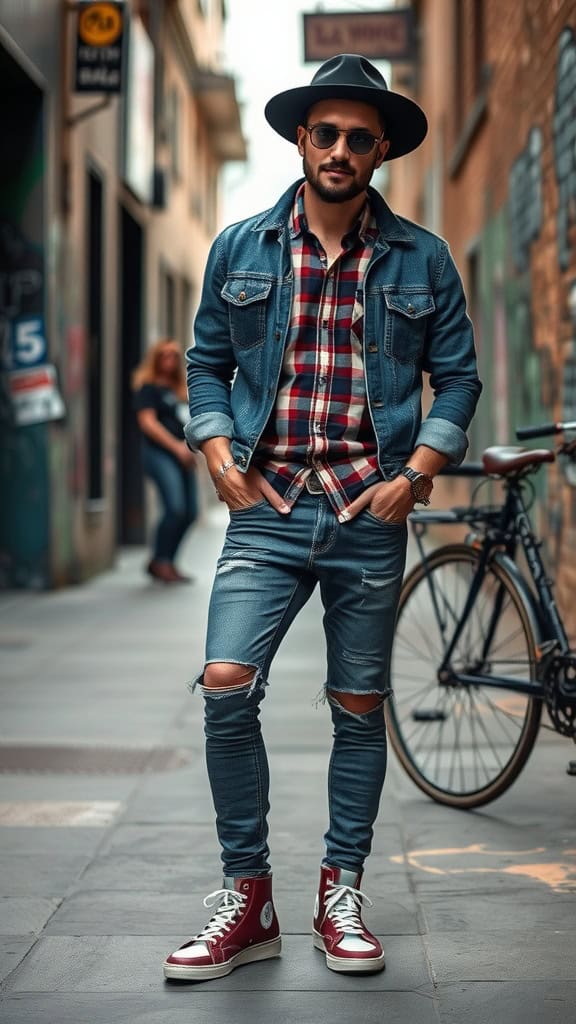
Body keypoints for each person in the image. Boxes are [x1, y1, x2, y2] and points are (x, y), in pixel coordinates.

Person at [163, 54, 482, 981]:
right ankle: (247, 897)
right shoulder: (241, 247)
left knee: (357, 706)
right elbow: (205, 362)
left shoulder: (423, 256)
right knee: (227, 681)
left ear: (381, 148)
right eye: (324, 132)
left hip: (369, 507)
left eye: (357, 136)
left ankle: (340, 889)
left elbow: (456, 377)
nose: (339, 148)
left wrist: (417, 473)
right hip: (269, 502)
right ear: (302, 140)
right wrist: (218, 453)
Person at [132, 338, 198, 583]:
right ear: (156, 358)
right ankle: (160, 561)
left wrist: (190, 449)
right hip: (159, 453)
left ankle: (166, 561)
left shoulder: (179, 390)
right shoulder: (147, 388)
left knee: (191, 512)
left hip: (183, 453)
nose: (170, 359)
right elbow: (148, 423)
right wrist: (176, 448)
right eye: (165, 355)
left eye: (174, 355)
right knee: (175, 507)